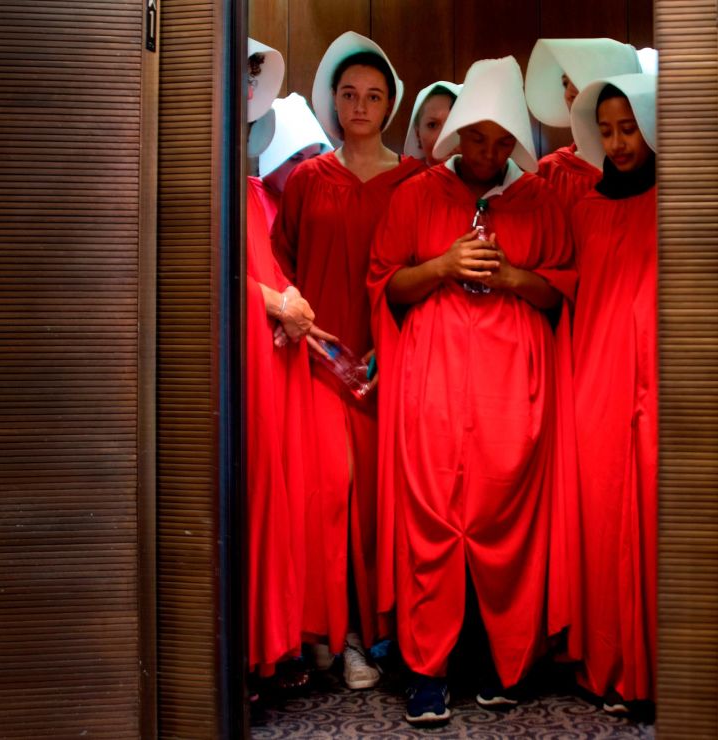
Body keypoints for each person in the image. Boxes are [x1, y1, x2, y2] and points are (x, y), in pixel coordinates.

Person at [368, 56, 577, 725]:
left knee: (505, 523)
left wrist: (513, 276)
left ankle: (503, 663)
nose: (487, 153)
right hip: (434, 387)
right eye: (476, 137)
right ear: (457, 134)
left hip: (512, 391)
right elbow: (385, 284)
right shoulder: (415, 196)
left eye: (500, 141)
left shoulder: (540, 201)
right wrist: (441, 264)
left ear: (515, 142)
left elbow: (561, 291)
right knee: (432, 522)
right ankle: (427, 672)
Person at [272, 31, 422, 691]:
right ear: (334, 100)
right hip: (318, 363)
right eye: (349, 94)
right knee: (324, 500)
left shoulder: (415, 181)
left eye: (374, 95)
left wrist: (402, 346)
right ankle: (327, 634)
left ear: (390, 105)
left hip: (393, 366)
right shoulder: (307, 179)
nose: (360, 105)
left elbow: (423, 270)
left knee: (380, 510)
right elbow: (281, 267)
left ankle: (374, 635)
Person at [567, 72, 658, 716]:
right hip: (596, 381)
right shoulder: (584, 209)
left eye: (628, 129)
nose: (618, 143)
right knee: (601, 524)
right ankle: (608, 666)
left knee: (657, 522)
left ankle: (661, 670)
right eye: (606, 131)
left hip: (659, 378)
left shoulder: (679, 201)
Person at [242, 38, 326, 693]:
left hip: (273, 366)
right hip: (241, 375)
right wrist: (272, 300)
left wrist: (286, 303)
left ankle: (273, 647)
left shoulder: (244, 187)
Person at [524, 38, 641, 211]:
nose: (570, 93)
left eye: (578, 79)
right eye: (565, 83)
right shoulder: (551, 170)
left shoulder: (645, 167)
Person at [254, 92, 333, 230]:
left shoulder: (323, 208)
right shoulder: (246, 201)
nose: (306, 169)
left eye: (313, 158)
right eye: (295, 158)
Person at [402, 81, 461, 166]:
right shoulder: (407, 178)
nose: (445, 136)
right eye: (432, 125)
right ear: (418, 134)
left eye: (454, 123)